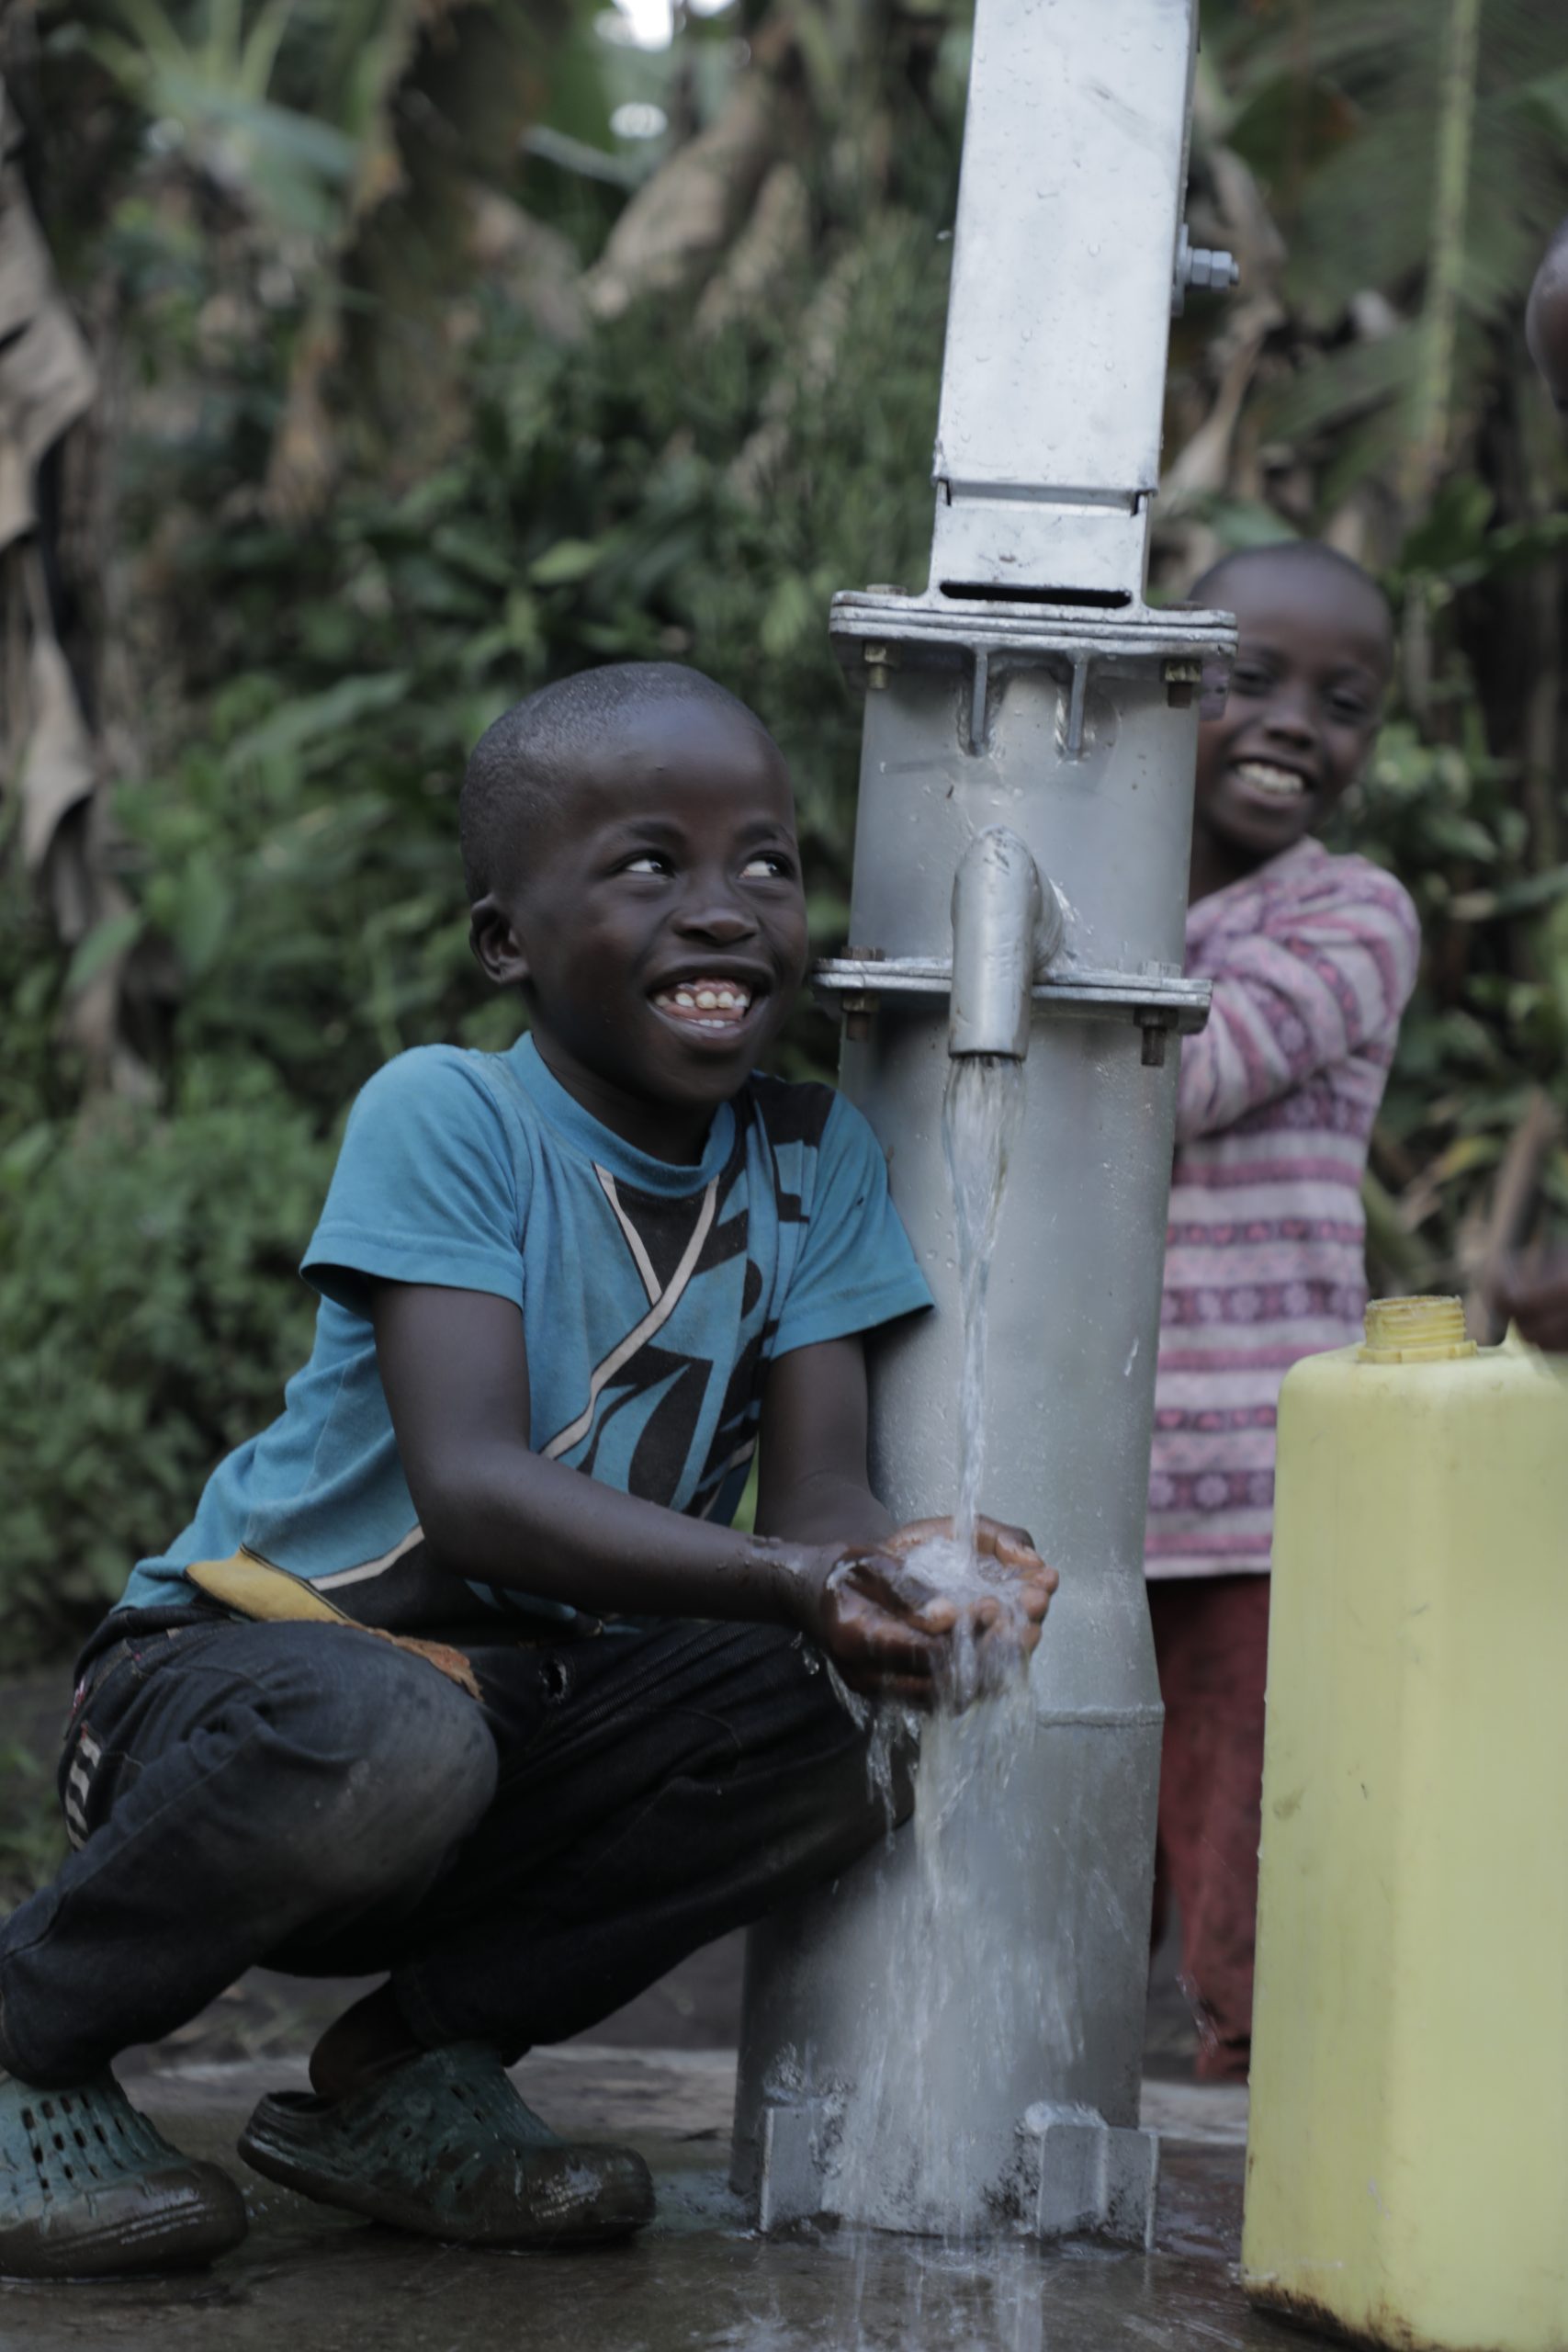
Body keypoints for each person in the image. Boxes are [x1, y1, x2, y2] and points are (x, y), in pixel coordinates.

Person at [0, 662, 1055, 2278]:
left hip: (522, 1726)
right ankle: (27, 2039)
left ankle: (405, 2070)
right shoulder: (450, 1115)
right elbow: (474, 1490)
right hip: (238, 1694)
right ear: (508, 940)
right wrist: (791, 1577)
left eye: (766, 863)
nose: (725, 910)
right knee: (397, 1733)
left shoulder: (809, 1154)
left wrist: (897, 1581)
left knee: (861, 1713)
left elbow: (818, 1505)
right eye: (651, 866)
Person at [1146, 542, 1420, 2080]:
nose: (1295, 723)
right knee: (1047, 1866)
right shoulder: (1094, 887)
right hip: (1074, 1480)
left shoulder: (1351, 916)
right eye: (1247, 680)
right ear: (1163, 683)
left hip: (1253, 1489)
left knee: (1246, 1887)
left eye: (1344, 702)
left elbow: (1173, 1076)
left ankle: (1267, 2143)